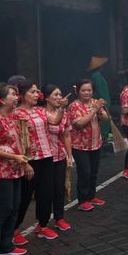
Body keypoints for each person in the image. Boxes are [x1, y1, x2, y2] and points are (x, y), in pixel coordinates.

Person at [11, 80, 65, 243]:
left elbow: (55, 121)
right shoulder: (16, 114)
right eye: (32, 92)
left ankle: (42, 225)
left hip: (47, 156)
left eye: (37, 92)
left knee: (46, 193)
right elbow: (16, 140)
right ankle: (14, 229)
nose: (36, 95)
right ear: (21, 95)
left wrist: (61, 108)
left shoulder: (40, 111)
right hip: (30, 160)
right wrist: (25, 163)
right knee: (25, 196)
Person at [0, 83, 29, 255]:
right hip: (0, 172)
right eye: (12, 95)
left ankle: (5, 246)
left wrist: (20, 160)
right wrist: (15, 157)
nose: (17, 98)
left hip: (14, 171)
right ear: (0, 99)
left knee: (14, 206)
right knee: (2, 209)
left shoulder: (9, 118)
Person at [68, 79, 109, 213]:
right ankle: (82, 200)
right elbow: (79, 124)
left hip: (95, 143)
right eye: (83, 90)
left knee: (93, 172)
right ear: (77, 91)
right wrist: (94, 110)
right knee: (84, 172)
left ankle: (92, 196)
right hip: (80, 146)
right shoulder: (74, 106)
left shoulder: (95, 102)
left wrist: (99, 110)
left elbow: (105, 119)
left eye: (89, 90)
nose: (87, 93)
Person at [43, 85, 73, 232]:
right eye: (55, 95)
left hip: (59, 155)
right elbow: (53, 120)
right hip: (45, 157)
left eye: (60, 94)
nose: (59, 97)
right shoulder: (40, 113)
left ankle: (59, 218)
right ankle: (42, 221)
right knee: (47, 191)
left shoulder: (65, 114)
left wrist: (69, 156)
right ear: (46, 97)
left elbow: (67, 135)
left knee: (60, 188)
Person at [88, 56, 111, 143]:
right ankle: (102, 143)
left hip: (101, 102)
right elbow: (101, 90)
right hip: (102, 103)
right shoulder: (97, 76)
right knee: (103, 123)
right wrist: (104, 102)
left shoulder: (96, 75)